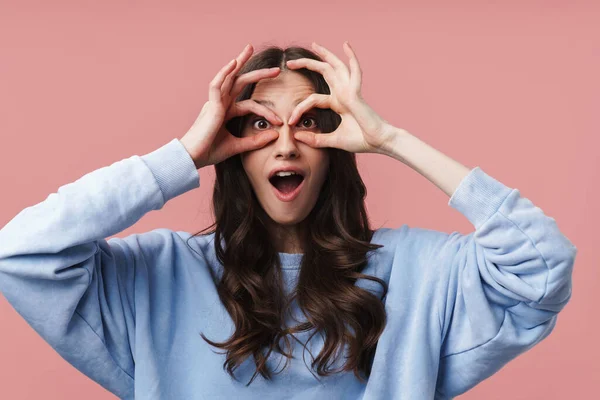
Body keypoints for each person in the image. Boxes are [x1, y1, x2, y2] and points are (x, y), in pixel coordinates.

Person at [0, 42, 577, 400]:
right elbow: (20, 254)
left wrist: (390, 139)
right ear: (231, 149)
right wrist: (182, 156)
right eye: (257, 124)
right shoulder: (159, 275)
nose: (283, 144)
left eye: (307, 122)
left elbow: (543, 268)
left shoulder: (418, 273)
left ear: (335, 146)